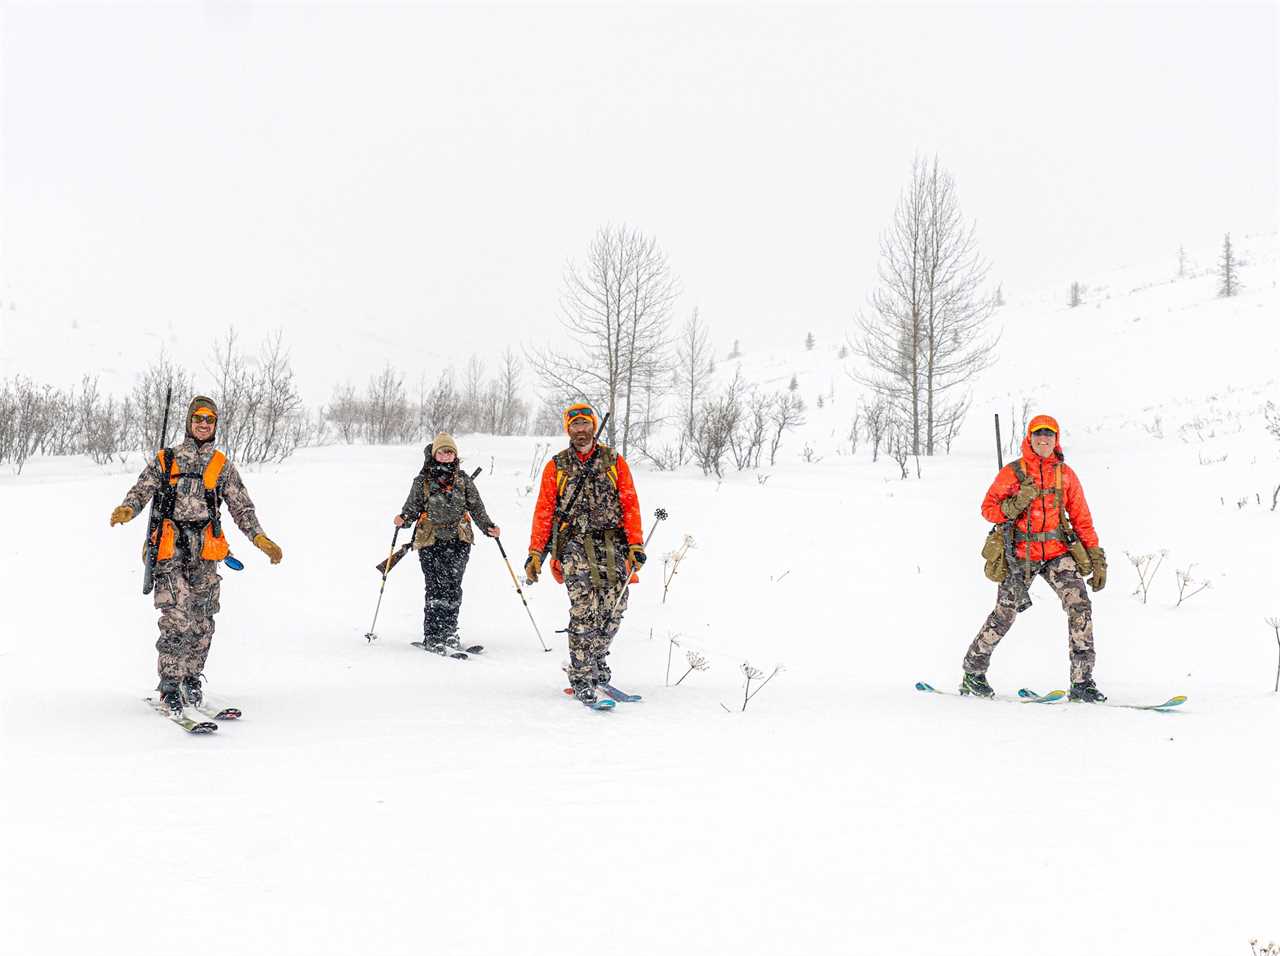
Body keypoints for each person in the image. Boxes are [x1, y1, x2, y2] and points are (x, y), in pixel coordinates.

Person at [110, 395, 283, 714]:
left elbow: (241, 507)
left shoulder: (221, 465)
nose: (204, 424)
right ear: (189, 422)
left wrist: (260, 537)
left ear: (215, 424)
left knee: (203, 620)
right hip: (170, 548)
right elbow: (141, 491)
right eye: (198, 418)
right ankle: (171, 684)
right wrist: (127, 509)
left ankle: (191, 676)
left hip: (206, 550)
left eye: (210, 419)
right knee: (177, 616)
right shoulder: (167, 459)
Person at [961, 414, 1108, 701]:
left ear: (1056, 439)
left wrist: (1097, 557)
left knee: (1080, 607)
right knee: (1004, 614)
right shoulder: (1013, 473)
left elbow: (1082, 518)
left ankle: (1082, 683)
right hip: (1019, 556)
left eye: (1049, 435)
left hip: (1057, 553)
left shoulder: (1064, 474)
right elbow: (988, 509)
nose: (1044, 439)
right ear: (1030, 438)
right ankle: (973, 673)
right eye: (1038, 434)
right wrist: (1016, 503)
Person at [524, 403, 645, 705]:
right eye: (575, 425)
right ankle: (580, 674)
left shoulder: (614, 461)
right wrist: (536, 552)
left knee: (613, 610)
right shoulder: (557, 466)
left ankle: (598, 664)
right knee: (583, 610)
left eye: (585, 424)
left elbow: (629, 503)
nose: (581, 429)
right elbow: (544, 510)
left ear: (593, 426)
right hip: (575, 546)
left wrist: (635, 544)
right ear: (568, 429)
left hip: (613, 546)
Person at [395, 433, 499, 653]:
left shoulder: (463, 480)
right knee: (435, 587)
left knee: (453, 587)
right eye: (442, 451)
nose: (446, 455)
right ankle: (433, 635)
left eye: (450, 451)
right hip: (430, 541)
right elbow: (411, 509)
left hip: (459, 540)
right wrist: (403, 519)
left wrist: (488, 527)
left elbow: (477, 508)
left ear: (455, 455)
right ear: (435, 454)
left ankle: (450, 633)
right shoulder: (422, 481)